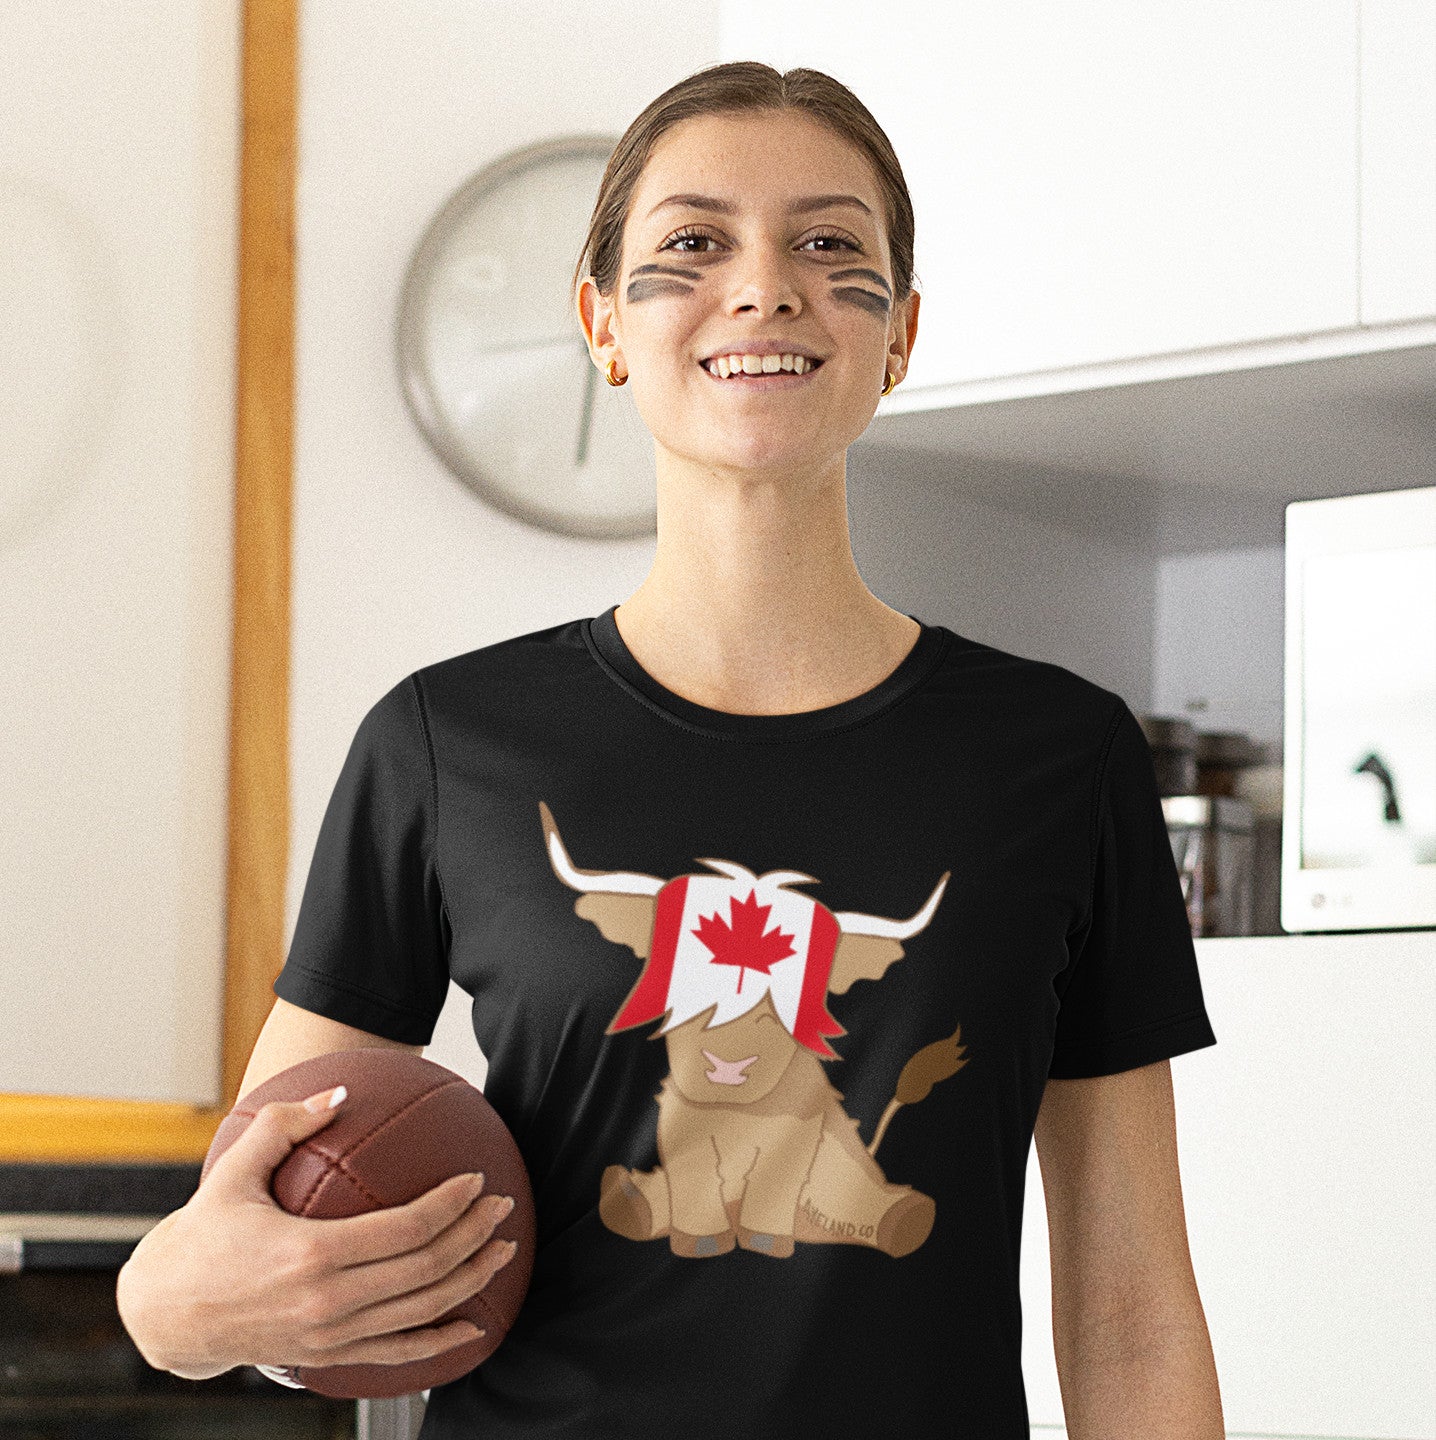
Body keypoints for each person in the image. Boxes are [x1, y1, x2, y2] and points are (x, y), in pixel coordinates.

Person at [116, 60, 1225, 1437]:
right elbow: (229, 1232)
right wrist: (177, 1307)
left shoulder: (1062, 757)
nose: (764, 287)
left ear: (903, 334)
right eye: (692, 244)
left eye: (831, 245)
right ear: (602, 325)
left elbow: (1128, 1311)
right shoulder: (445, 744)